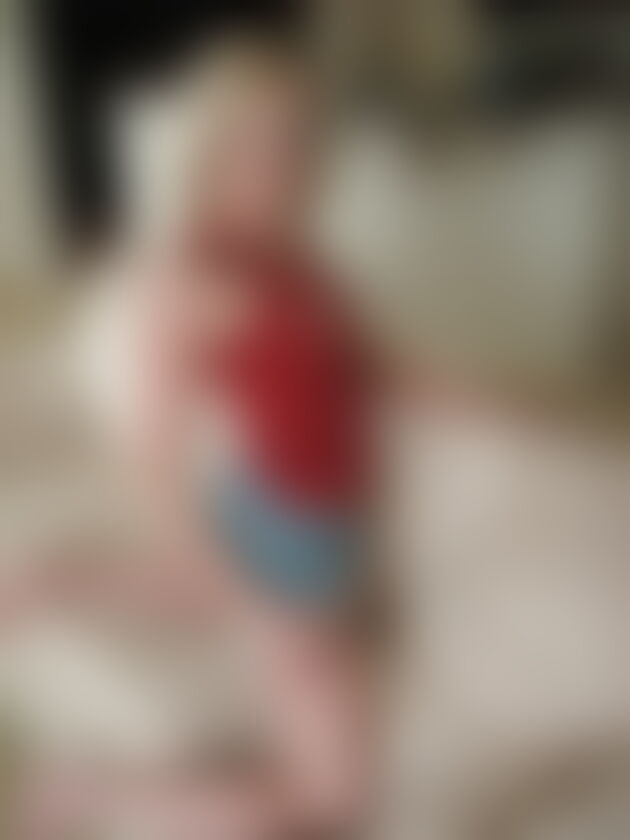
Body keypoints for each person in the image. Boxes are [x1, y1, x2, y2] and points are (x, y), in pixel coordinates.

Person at [79, 38, 382, 839]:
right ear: (211, 153)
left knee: (322, 766)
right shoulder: (191, 272)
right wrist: (197, 552)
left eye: (296, 142)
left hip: (324, 540)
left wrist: (522, 408)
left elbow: (372, 374)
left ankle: (43, 583)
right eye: (255, 142)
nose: (280, 164)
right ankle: (89, 794)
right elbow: (152, 445)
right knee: (331, 801)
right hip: (283, 548)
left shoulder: (300, 263)